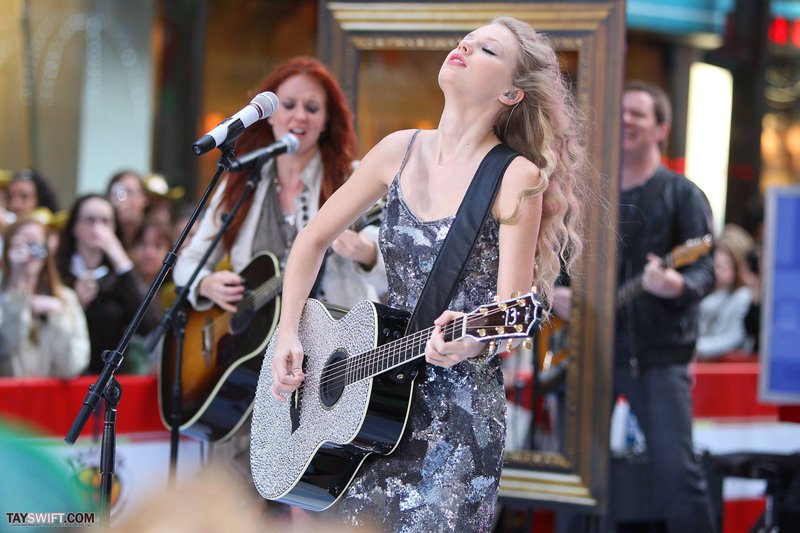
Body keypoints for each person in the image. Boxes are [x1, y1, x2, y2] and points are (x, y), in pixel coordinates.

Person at [269, 18, 585, 531]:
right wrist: (288, 332)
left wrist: (471, 343)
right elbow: (311, 240)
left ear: (511, 92)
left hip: (455, 418)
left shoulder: (516, 176)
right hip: (368, 405)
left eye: (486, 48)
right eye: (467, 38)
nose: (463, 45)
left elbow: (513, 310)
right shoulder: (399, 150)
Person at [172, 56, 387, 489]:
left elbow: (389, 266)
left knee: (309, 492)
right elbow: (186, 262)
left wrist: (364, 251)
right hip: (246, 359)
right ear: (268, 118)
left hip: (324, 359)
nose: (298, 116)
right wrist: (206, 282)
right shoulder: (243, 180)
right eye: (288, 104)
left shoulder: (352, 178)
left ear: (327, 121)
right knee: (229, 490)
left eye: (313, 107)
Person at [611, 81, 716, 531]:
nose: (626, 120)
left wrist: (676, 284)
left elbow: (706, 269)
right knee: (580, 477)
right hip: (596, 353)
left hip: (659, 358)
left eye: (637, 113)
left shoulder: (683, 194)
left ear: (661, 129)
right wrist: (560, 293)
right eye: (620, 112)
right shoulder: (594, 193)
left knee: (677, 474)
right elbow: (564, 262)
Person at [54, 194, 160, 374]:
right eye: (89, 220)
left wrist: (118, 255)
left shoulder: (121, 276)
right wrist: (75, 304)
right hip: (65, 377)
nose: (97, 228)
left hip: (110, 379)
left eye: (105, 221)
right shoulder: (58, 271)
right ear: (74, 226)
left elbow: (149, 324)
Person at [0, 218, 90, 377]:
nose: (28, 252)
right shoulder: (4, 294)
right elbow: (5, 347)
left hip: (48, 396)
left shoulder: (66, 298)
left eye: (35, 244)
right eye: (20, 245)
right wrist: (18, 288)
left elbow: (72, 367)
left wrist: (58, 317)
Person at [696, 225, 755, 360]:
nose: (717, 272)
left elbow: (733, 339)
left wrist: (694, 347)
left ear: (739, 267)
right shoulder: (714, 291)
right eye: (715, 265)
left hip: (728, 369)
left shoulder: (743, 296)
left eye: (723, 266)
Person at [107, 170, 150, 250]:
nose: (124, 200)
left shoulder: (154, 235)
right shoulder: (105, 233)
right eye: (118, 194)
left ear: (145, 198)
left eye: (130, 193)